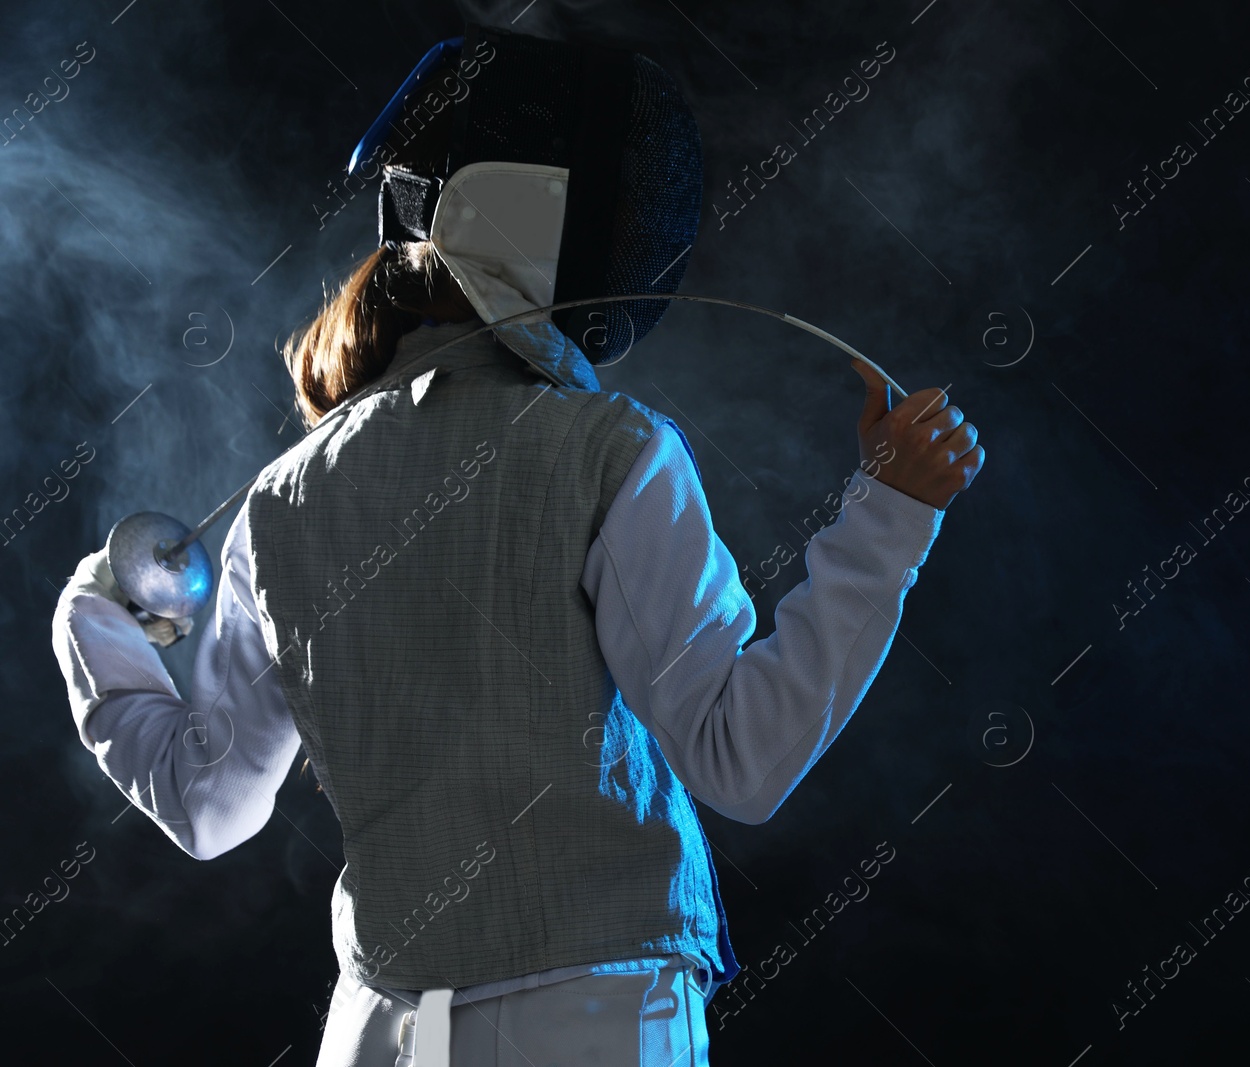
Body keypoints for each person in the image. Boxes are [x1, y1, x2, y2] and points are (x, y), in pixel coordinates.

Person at [50, 26, 983, 1067]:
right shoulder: (608, 450)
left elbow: (209, 801)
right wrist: (892, 510)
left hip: (375, 1035)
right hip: (588, 1023)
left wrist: (94, 614)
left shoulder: (283, 499)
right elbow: (743, 754)